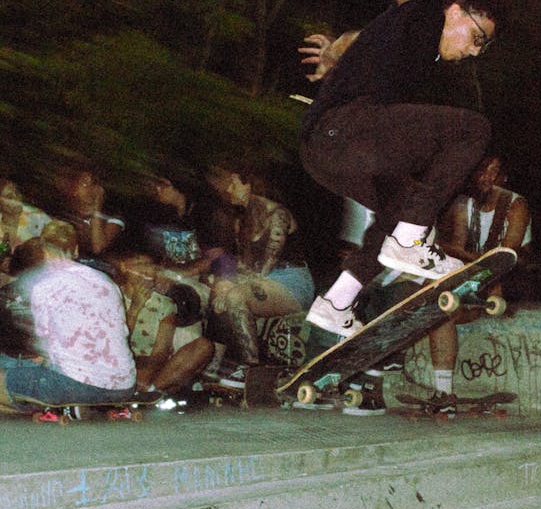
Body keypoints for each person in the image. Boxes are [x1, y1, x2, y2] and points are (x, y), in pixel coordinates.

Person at [299, 0, 507, 339]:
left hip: (330, 154)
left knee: (404, 206)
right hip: (342, 132)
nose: (474, 51)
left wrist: (339, 51)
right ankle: (411, 240)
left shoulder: (411, 48)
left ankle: (337, 302)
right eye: (477, 38)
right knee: (473, 129)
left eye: (482, 47)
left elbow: (363, 40)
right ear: (455, 10)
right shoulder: (425, 12)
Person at [423, 153, 531, 414]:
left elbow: (509, 255)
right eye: (483, 172)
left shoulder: (516, 205)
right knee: (441, 308)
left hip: (508, 281)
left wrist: (470, 263)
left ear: (503, 178)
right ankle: (444, 392)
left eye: (495, 174)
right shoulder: (463, 204)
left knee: (485, 273)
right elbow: (457, 248)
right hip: (476, 279)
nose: (488, 179)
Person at [0, 234, 136, 413]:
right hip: (125, 385)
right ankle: (68, 405)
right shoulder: (105, 280)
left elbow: (42, 348)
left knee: (11, 373)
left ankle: (52, 407)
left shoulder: (42, 286)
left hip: (75, 384)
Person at [208, 167, 315, 388]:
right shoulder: (243, 221)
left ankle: (252, 368)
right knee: (220, 290)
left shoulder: (277, 215)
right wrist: (223, 286)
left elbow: (267, 265)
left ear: (249, 185)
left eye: (233, 183)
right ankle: (214, 366)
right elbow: (242, 265)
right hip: (260, 282)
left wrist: (232, 289)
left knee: (235, 296)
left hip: (291, 280)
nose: (228, 190)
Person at [110, 251, 214, 398]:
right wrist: (135, 308)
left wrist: (148, 370)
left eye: (150, 265)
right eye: (139, 264)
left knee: (204, 346)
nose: (146, 270)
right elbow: (113, 344)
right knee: (135, 376)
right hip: (120, 363)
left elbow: (161, 351)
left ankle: (149, 391)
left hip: (151, 366)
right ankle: (154, 391)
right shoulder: (111, 296)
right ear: (124, 267)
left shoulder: (164, 304)